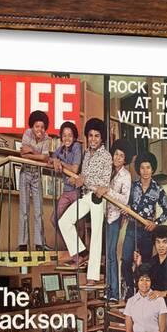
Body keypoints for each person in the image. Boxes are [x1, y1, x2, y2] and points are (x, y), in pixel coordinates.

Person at [58, 118, 112, 288]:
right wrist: (78, 181)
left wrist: (85, 182)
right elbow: (83, 176)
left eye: (97, 136)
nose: (93, 139)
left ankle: (93, 276)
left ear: (101, 138)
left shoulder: (106, 156)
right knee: (64, 221)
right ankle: (81, 254)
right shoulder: (87, 153)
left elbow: (104, 182)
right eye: (90, 135)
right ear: (87, 137)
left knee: (96, 236)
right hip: (85, 196)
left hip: (98, 198)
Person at [121, 151, 167, 299]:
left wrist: (155, 223)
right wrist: (125, 211)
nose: (145, 171)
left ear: (153, 169)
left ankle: (143, 292)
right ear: (139, 169)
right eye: (142, 168)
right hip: (132, 228)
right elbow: (125, 205)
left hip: (148, 231)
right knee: (125, 260)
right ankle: (130, 288)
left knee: (145, 265)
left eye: (148, 168)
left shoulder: (158, 189)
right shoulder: (133, 186)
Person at [102, 140, 134, 302]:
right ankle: (109, 289)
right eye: (116, 154)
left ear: (125, 159)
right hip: (103, 215)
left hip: (114, 218)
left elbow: (124, 198)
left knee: (112, 254)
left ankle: (114, 292)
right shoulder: (107, 170)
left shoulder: (126, 176)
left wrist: (109, 191)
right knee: (106, 255)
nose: (118, 158)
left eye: (121, 156)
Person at [18, 110, 53, 252]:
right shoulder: (27, 133)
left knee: (39, 211)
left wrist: (30, 152)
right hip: (25, 173)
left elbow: (45, 158)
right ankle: (22, 244)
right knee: (24, 210)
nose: (40, 129)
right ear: (33, 126)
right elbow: (22, 154)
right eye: (37, 126)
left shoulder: (47, 138)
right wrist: (39, 156)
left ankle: (39, 244)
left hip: (36, 176)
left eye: (42, 127)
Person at [50, 121, 82, 242]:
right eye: (64, 135)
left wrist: (60, 163)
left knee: (78, 223)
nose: (67, 138)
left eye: (70, 135)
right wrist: (54, 160)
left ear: (74, 137)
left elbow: (74, 169)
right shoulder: (60, 150)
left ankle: (80, 253)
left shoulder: (77, 147)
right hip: (66, 191)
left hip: (76, 191)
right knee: (54, 219)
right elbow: (51, 158)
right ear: (61, 137)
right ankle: (72, 245)